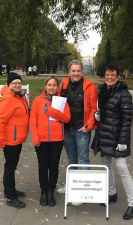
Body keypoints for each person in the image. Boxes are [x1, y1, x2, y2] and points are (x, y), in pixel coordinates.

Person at [97, 65, 133, 220]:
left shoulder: (124, 94)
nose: (110, 77)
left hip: (118, 137)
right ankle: (111, 192)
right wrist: (98, 115)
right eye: (107, 74)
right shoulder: (104, 91)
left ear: (118, 77)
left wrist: (123, 140)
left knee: (122, 168)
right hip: (105, 135)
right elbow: (103, 110)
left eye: (113, 75)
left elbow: (127, 120)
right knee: (105, 165)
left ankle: (132, 203)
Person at [57, 60, 98, 202]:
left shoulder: (90, 87)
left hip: (82, 129)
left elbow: (94, 109)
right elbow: (58, 104)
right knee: (72, 159)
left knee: (84, 159)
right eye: (73, 71)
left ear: (82, 72)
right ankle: (72, 186)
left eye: (78, 71)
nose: (76, 73)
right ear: (69, 72)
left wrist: (89, 126)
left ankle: (83, 191)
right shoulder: (63, 85)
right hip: (67, 129)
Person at [30, 76, 71, 207]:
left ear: (57, 87)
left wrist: (52, 111)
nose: (52, 87)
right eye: (49, 85)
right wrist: (35, 138)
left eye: (54, 85)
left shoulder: (62, 101)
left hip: (56, 139)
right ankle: (43, 191)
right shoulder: (38, 100)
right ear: (45, 86)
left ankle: (51, 191)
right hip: (41, 140)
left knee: (53, 166)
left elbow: (67, 118)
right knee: (43, 166)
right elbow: (33, 121)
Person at [0, 72, 29, 208]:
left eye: (19, 82)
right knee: (10, 167)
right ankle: (10, 196)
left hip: (17, 138)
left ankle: (11, 190)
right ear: (9, 85)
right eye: (14, 83)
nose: (17, 84)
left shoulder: (19, 97)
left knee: (12, 166)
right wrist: (1, 140)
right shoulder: (8, 99)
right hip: (10, 140)